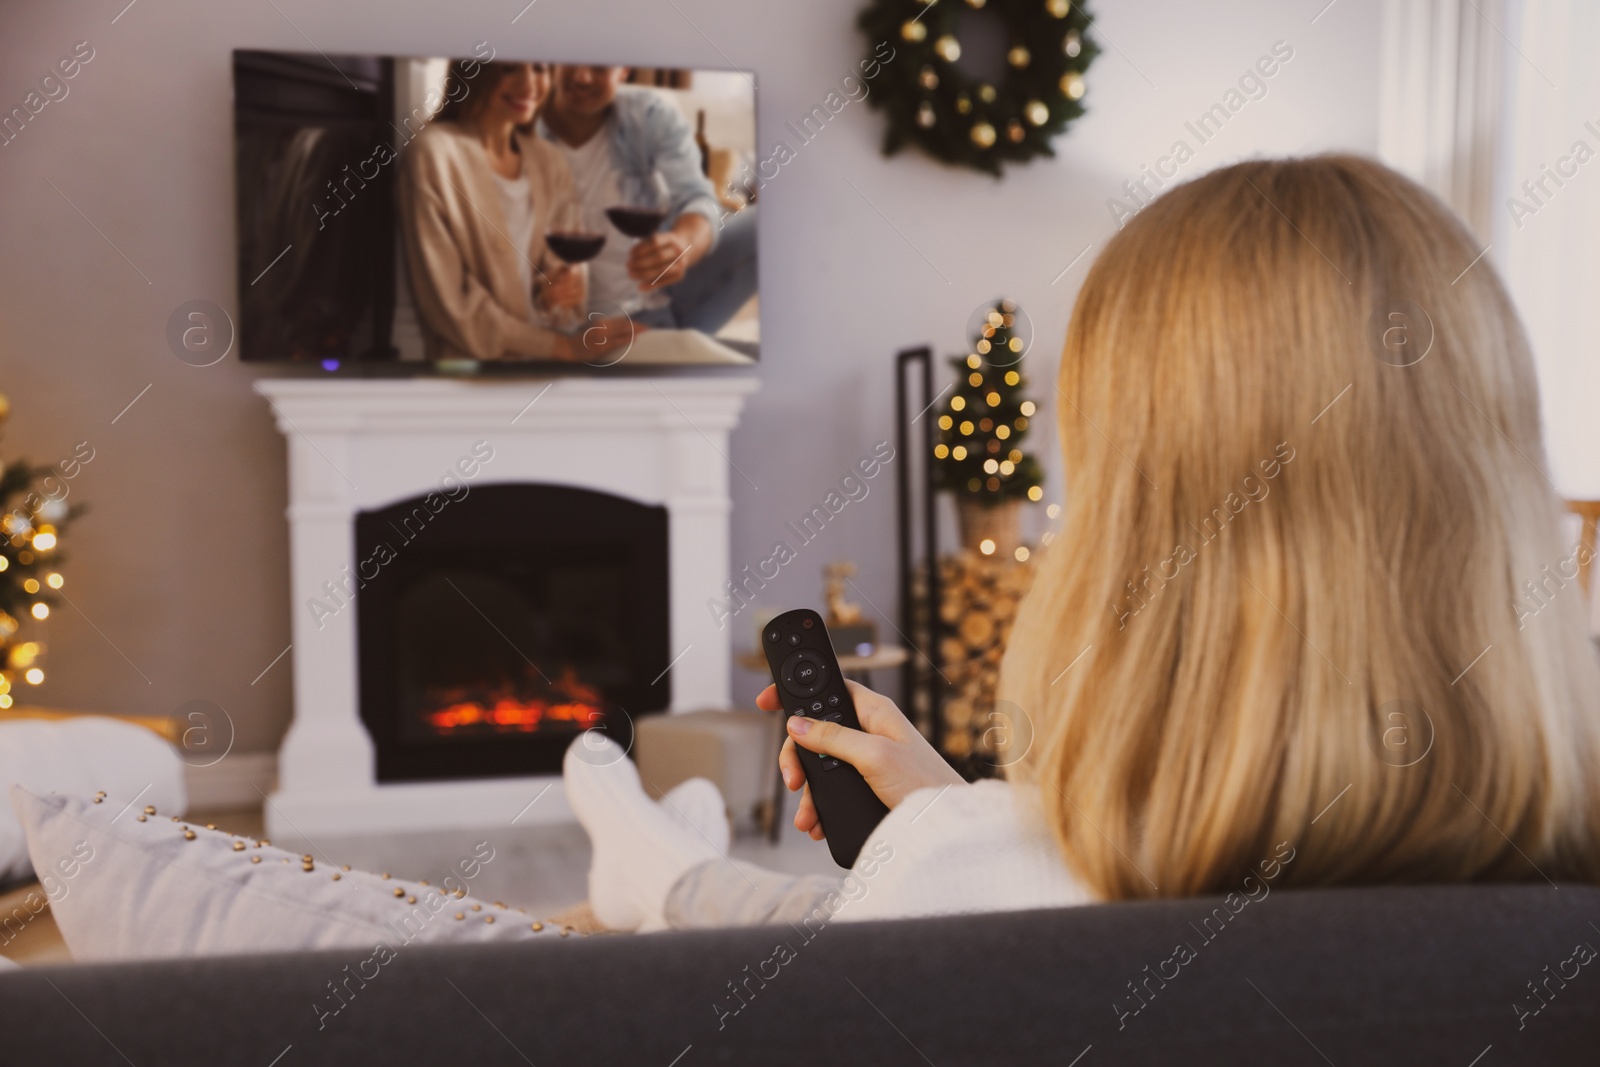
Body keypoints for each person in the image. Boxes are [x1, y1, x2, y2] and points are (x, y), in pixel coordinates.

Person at [563, 154, 1600, 932]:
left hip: (937, 893)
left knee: (793, 922)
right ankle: (667, 863)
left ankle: (660, 874)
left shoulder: (976, 883)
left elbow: (975, 886)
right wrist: (951, 810)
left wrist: (946, 835)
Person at [398, 60, 633, 362]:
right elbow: (447, 300)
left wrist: (561, 290)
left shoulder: (550, 161)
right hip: (471, 371)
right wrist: (561, 348)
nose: (529, 85)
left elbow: (557, 274)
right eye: (509, 68)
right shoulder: (435, 154)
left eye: (539, 68)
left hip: (549, 364)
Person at [539, 65, 757, 333]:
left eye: (599, 67)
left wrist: (681, 245)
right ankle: (667, 346)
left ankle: (668, 341)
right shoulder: (521, 129)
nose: (582, 77)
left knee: (765, 224)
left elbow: (698, 198)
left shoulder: (650, 116)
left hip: (659, 295)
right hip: (581, 320)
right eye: (573, 61)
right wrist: (541, 290)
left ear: (624, 71)